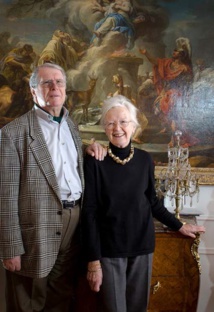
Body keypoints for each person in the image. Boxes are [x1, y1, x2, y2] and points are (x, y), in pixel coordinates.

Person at [82, 94, 205, 312]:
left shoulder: (145, 159)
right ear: (104, 127)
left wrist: (180, 225)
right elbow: (89, 213)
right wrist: (93, 261)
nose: (117, 128)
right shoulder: (95, 161)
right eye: (111, 123)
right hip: (109, 250)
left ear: (134, 126)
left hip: (142, 246)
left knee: (139, 308)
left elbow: (153, 203)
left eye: (123, 122)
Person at [0, 62, 106, 312]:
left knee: (61, 294)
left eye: (59, 82)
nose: (54, 87)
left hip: (74, 221)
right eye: (46, 82)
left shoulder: (70, 125)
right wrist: (10, 247)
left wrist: (86, 150)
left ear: (66, 89)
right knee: (29, 299)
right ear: (33, 91)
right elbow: (4, 196)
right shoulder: (13, 133)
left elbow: (58, 161)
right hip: (35, 226)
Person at [139, 45, 193, 145]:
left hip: (177, 94)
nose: (174, 52)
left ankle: (173, 139)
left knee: (172, 114)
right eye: (174, 50)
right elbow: (155, 62)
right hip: (167, 92)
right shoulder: (168, 63)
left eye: (176, 51)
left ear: (181, 54)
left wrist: (183, 97)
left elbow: (187, 85)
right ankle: (166, 128)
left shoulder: (185, 68)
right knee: (157, 108)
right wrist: (146, 53)